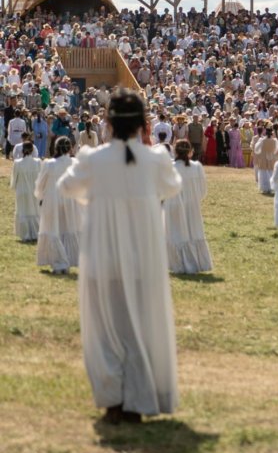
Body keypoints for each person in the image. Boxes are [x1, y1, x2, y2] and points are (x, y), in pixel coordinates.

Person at [57, 90, 182, 424]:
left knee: (106, 329)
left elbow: (68, 188)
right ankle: (140, 396)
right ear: (144, 124)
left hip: (103, 255)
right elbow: (172, 187)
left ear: (108, 123)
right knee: (141, 326)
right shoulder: (155, 159)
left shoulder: (93, 159)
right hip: (144, 258)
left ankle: (114, 398)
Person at [164, 140, 213, 274]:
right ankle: (195, 262)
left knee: (176, 233)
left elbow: (164, 189)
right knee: (193, 232)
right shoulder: (197, 167)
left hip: (173, 205)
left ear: (175, 151)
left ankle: (178, 264)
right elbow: (203, 190)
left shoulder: (170, 167)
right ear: (190, 151)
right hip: (192, 205)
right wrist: (194, 200)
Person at [35, 136, 82, 274]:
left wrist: (40, 195)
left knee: (54, 228)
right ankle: (67, 259)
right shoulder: (74, 163)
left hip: (52, 199)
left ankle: (59, 261)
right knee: (68, 227)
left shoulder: (49, 164)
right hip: (70, 199)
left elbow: (40, 184)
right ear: (70, 148)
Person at [10, 141, 41, 242]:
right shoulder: (38, 162)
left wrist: (14, 186)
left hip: (22, 191)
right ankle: (35, 233)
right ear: (32, 150)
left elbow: (14, 180)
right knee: (35, 211)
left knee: (23, 211)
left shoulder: (17, 163)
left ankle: (25, 234)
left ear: (22, 150)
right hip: (34, 191)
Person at [254, 127, 278, 194]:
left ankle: (265, 187)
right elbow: (276, 150)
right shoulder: (275, 140)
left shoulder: (262, 140)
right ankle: (271, 187)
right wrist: (272, 152)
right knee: (271, 172)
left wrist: (260, 152)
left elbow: (256, 149)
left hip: (263, 157)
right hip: (271, 157)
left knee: (263, 172)